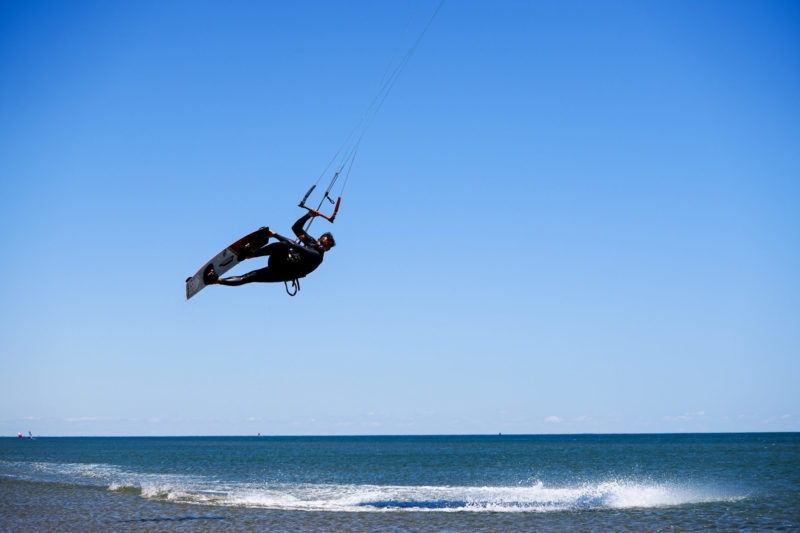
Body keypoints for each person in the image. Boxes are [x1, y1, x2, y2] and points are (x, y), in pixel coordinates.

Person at [203, 211, 335, 287]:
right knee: (284, 246)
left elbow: (295, 246)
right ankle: (249, 254)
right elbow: (296, 228)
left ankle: (215, 280)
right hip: (279, 261)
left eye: (326, 246)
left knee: (250, 277)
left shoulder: (317, 256)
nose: (323, 246)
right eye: (323, 242)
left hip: (283, 273)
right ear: (319, 239)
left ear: (327, 250)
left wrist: (274, 235)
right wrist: (308, 215)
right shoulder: (311, 242)